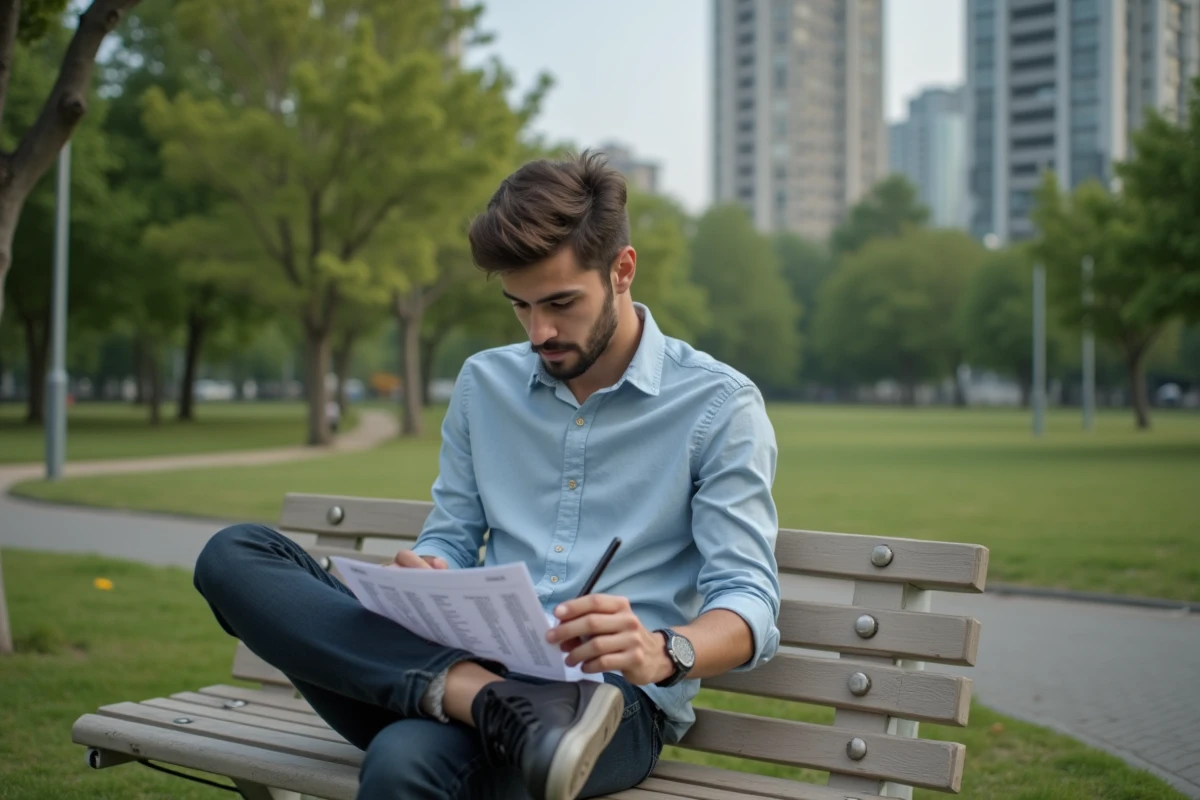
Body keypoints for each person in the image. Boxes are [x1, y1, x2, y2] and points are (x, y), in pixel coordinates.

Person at [193, 151, 782, 800]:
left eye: (560, 302)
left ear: (623, 269)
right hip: (465, 664)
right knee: (234, 554)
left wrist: (663, 650)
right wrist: (426, 571)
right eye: (519, 306)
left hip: (606, 705)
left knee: (403, 761)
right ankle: (485, 700)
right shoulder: (483, 384)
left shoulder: (719, 406)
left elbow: (748, 597)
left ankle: (475, 701)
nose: (540, 332)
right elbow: (451, 534)